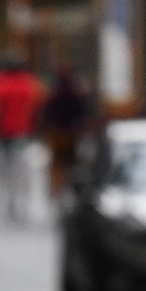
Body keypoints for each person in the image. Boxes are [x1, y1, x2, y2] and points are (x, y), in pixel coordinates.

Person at [0, 58, 43, 223]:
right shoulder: (30, 83)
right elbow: (38, 108)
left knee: (2, 169)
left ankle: (6, 202)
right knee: (20, 169)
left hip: (2, 133)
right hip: (22, 133)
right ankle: (20, 202)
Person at [39, 67, 90, 200]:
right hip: (71, 135)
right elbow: (82, 116)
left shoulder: (55, 97)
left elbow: (47, 115)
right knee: (71, 162)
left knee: (56, 163)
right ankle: (67, 187)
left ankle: (56, 189)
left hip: (57, 134)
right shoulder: (75, 97)